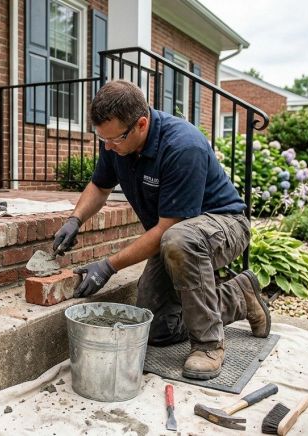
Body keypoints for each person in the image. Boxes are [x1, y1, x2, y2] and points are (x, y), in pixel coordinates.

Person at [52, 80, 270, 380]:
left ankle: (208, 345)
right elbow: (100, 186)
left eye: (114, 139)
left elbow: (171, 228)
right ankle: (239, 297)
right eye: (102, 138)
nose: (107, 146)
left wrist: (108, 265)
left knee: (179, 240)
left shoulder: (183, 145)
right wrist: (75, 219)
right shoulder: (116, 142)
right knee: (155, 328)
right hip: (175, 234)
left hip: (224, 225)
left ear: (141, 124)